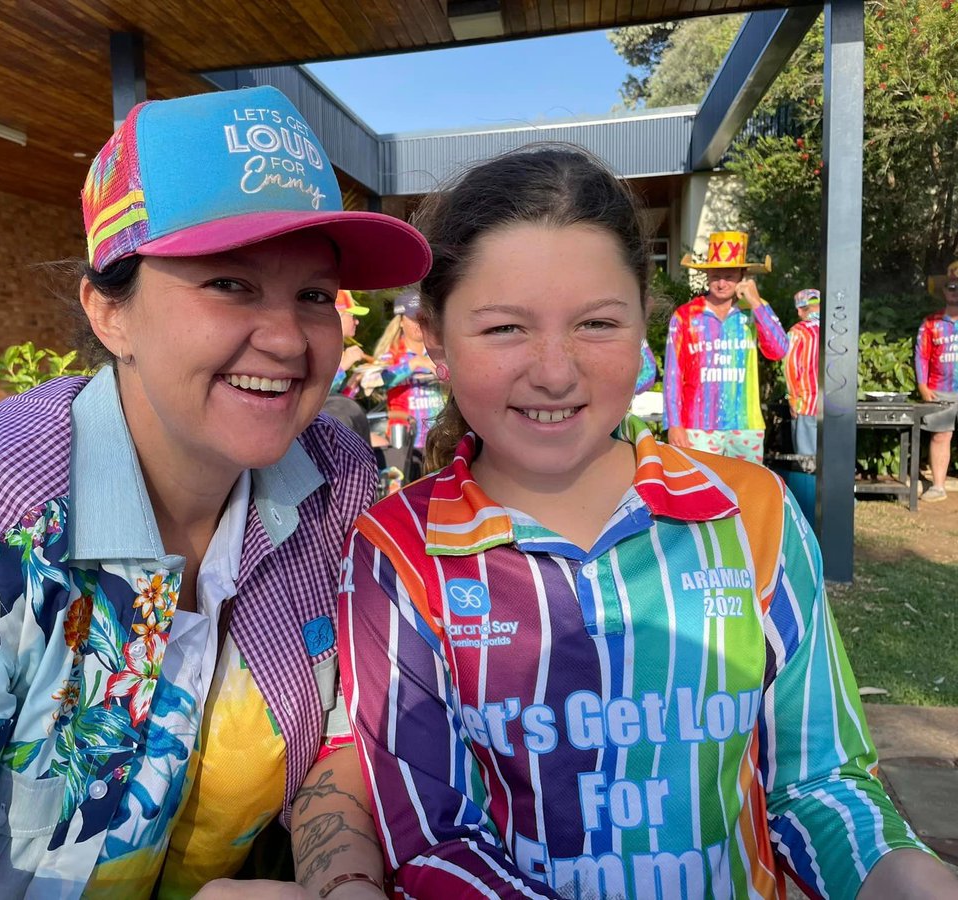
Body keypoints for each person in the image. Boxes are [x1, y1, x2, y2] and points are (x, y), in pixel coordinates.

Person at [0, 86, 432, 899]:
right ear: (108, 312)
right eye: (229, 283)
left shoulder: (337, 485)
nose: (290, 339)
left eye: (313, 295)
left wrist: (344, 884)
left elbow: (343, 733)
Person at [337, 145, 957, 899]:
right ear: (434, 339)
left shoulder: (752, 513)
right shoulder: (397, 551)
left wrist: (908, 877)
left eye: (597, 323)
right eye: (505, 329)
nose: (556, 371)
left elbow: (817, 781)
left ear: (644, 324)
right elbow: (436, 839)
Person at [664, 231, 789, 463]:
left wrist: (756, 302)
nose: (721, 283)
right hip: (697, 427)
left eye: (729, 276)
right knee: (700, 493)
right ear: (707, 275)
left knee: (744, 496)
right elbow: (673, 375)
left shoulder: (755, 310)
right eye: (715, 276)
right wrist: (674, 423)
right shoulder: (685, 316)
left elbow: (779, 350)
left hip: (746, 426)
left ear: (743, 276)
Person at [374, 290, 445, 451]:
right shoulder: (390, 355)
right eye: (414, 319)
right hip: (405, 440)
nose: (419, 324)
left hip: (439, 439)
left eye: (423, 318)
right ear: (400, 321)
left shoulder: (440, 351)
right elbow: (380, 382)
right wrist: (415, 363)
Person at [916, 261, 958, 502]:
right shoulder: (930, 323)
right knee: (941, 436)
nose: (955, 291)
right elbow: (921, 355)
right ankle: (938, 486)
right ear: (944, 291)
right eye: (951, 287)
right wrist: (922, 384)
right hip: (939, 390)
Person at [322, 290, 374, 441]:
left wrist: (353, 383)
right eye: (352, 316)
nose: (357, 321)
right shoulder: (320, 348)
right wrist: (343, 366)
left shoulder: (336, 348)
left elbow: (338, 401)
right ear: (337, 316)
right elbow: (312, 393)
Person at [785, 288, 821, 456]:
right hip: (837, 406)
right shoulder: (837, 330)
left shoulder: (798, 332)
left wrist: (792, 399)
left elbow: (791, 367)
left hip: (807, 403)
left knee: (807, 462)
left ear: (800, 310)